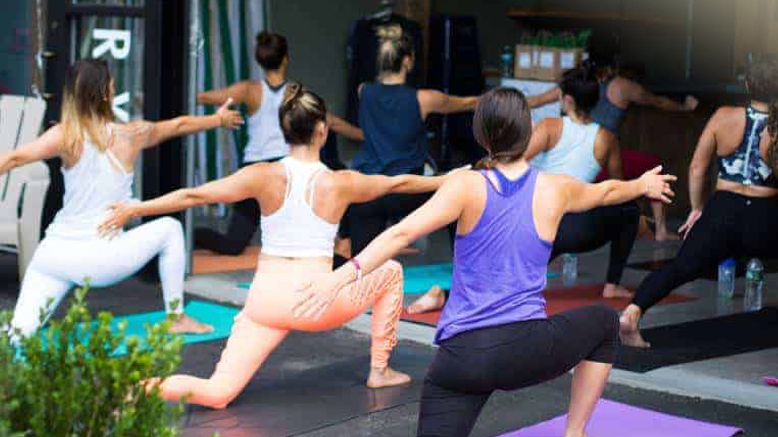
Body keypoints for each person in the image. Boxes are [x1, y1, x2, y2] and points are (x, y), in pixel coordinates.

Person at [293, 88, 675, 437]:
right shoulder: (555, 187)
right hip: (524, 351)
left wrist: (339, 277)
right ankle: (574, 433)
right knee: (606, 323)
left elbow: (399, 234)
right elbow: (606, 191)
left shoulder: (467, 185)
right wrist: (641, 186)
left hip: (460, 360)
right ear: (528, 133)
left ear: (482, 136)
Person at [99, 83, 450, 409]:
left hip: (264, 302)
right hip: (318, 304)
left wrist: (135, 207)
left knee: (218, 392)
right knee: (390, 271)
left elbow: (195, 194)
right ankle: (379, 371)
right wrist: (448, 180)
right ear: (323, 131)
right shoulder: (340, 182)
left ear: (285, 132)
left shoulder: (262, 175)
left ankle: (132, 390)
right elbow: (398, 183)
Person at [1, 59, 243, 339]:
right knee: (170, 229)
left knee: (18, 336)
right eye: (113, 85)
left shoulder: (64, 135)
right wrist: (218, 120)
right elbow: (178, 126)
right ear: (106, 93)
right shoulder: (131, 135)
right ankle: (176, 317)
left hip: (53, 254)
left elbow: (14, 157)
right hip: (102, 259)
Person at [407, 66, 641, 315]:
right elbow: (618, 186)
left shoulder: (552, 126)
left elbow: (512, 159)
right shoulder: (607, 138)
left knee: (504, 280)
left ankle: (443, 295)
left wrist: (483, 170)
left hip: (541, 220)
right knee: (630, 210)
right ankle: (612, 285)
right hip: (576, 229)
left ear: (567, 99)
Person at [620, 57, 778, 348]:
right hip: (766, 222)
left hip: (722, 214)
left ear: (746, 84)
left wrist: (696, 209)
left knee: (681, 267)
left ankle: (632, 313)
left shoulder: (723, 116)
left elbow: (696, 168)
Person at [346, 25, 547, 257]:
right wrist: (543, 98)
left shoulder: (364, 91)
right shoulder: (425, 99)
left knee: (361, 262)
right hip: (407, 191)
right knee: (461, 197)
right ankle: (462, 262)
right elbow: (473, 102)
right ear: (408, 61)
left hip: (367, 191)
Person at [194, 32, 362, 256]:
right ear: (285, 59)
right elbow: (333, 122)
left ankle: (189, 236)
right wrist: (365, 135)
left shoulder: (248, 90)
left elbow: (204, 97)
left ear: (260, 61)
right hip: (283, 172)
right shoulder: (295, 93)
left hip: (259, 172)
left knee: (232, 245)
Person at [528, 61, 699, 241]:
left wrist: (503, 106)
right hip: (601, 160)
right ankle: (661, 230)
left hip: (572, 177)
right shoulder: (622, 88)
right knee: (654, 166)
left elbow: (534, 101)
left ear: (567, 100)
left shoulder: (571, 87)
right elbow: (659, 102)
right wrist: (685, 107)